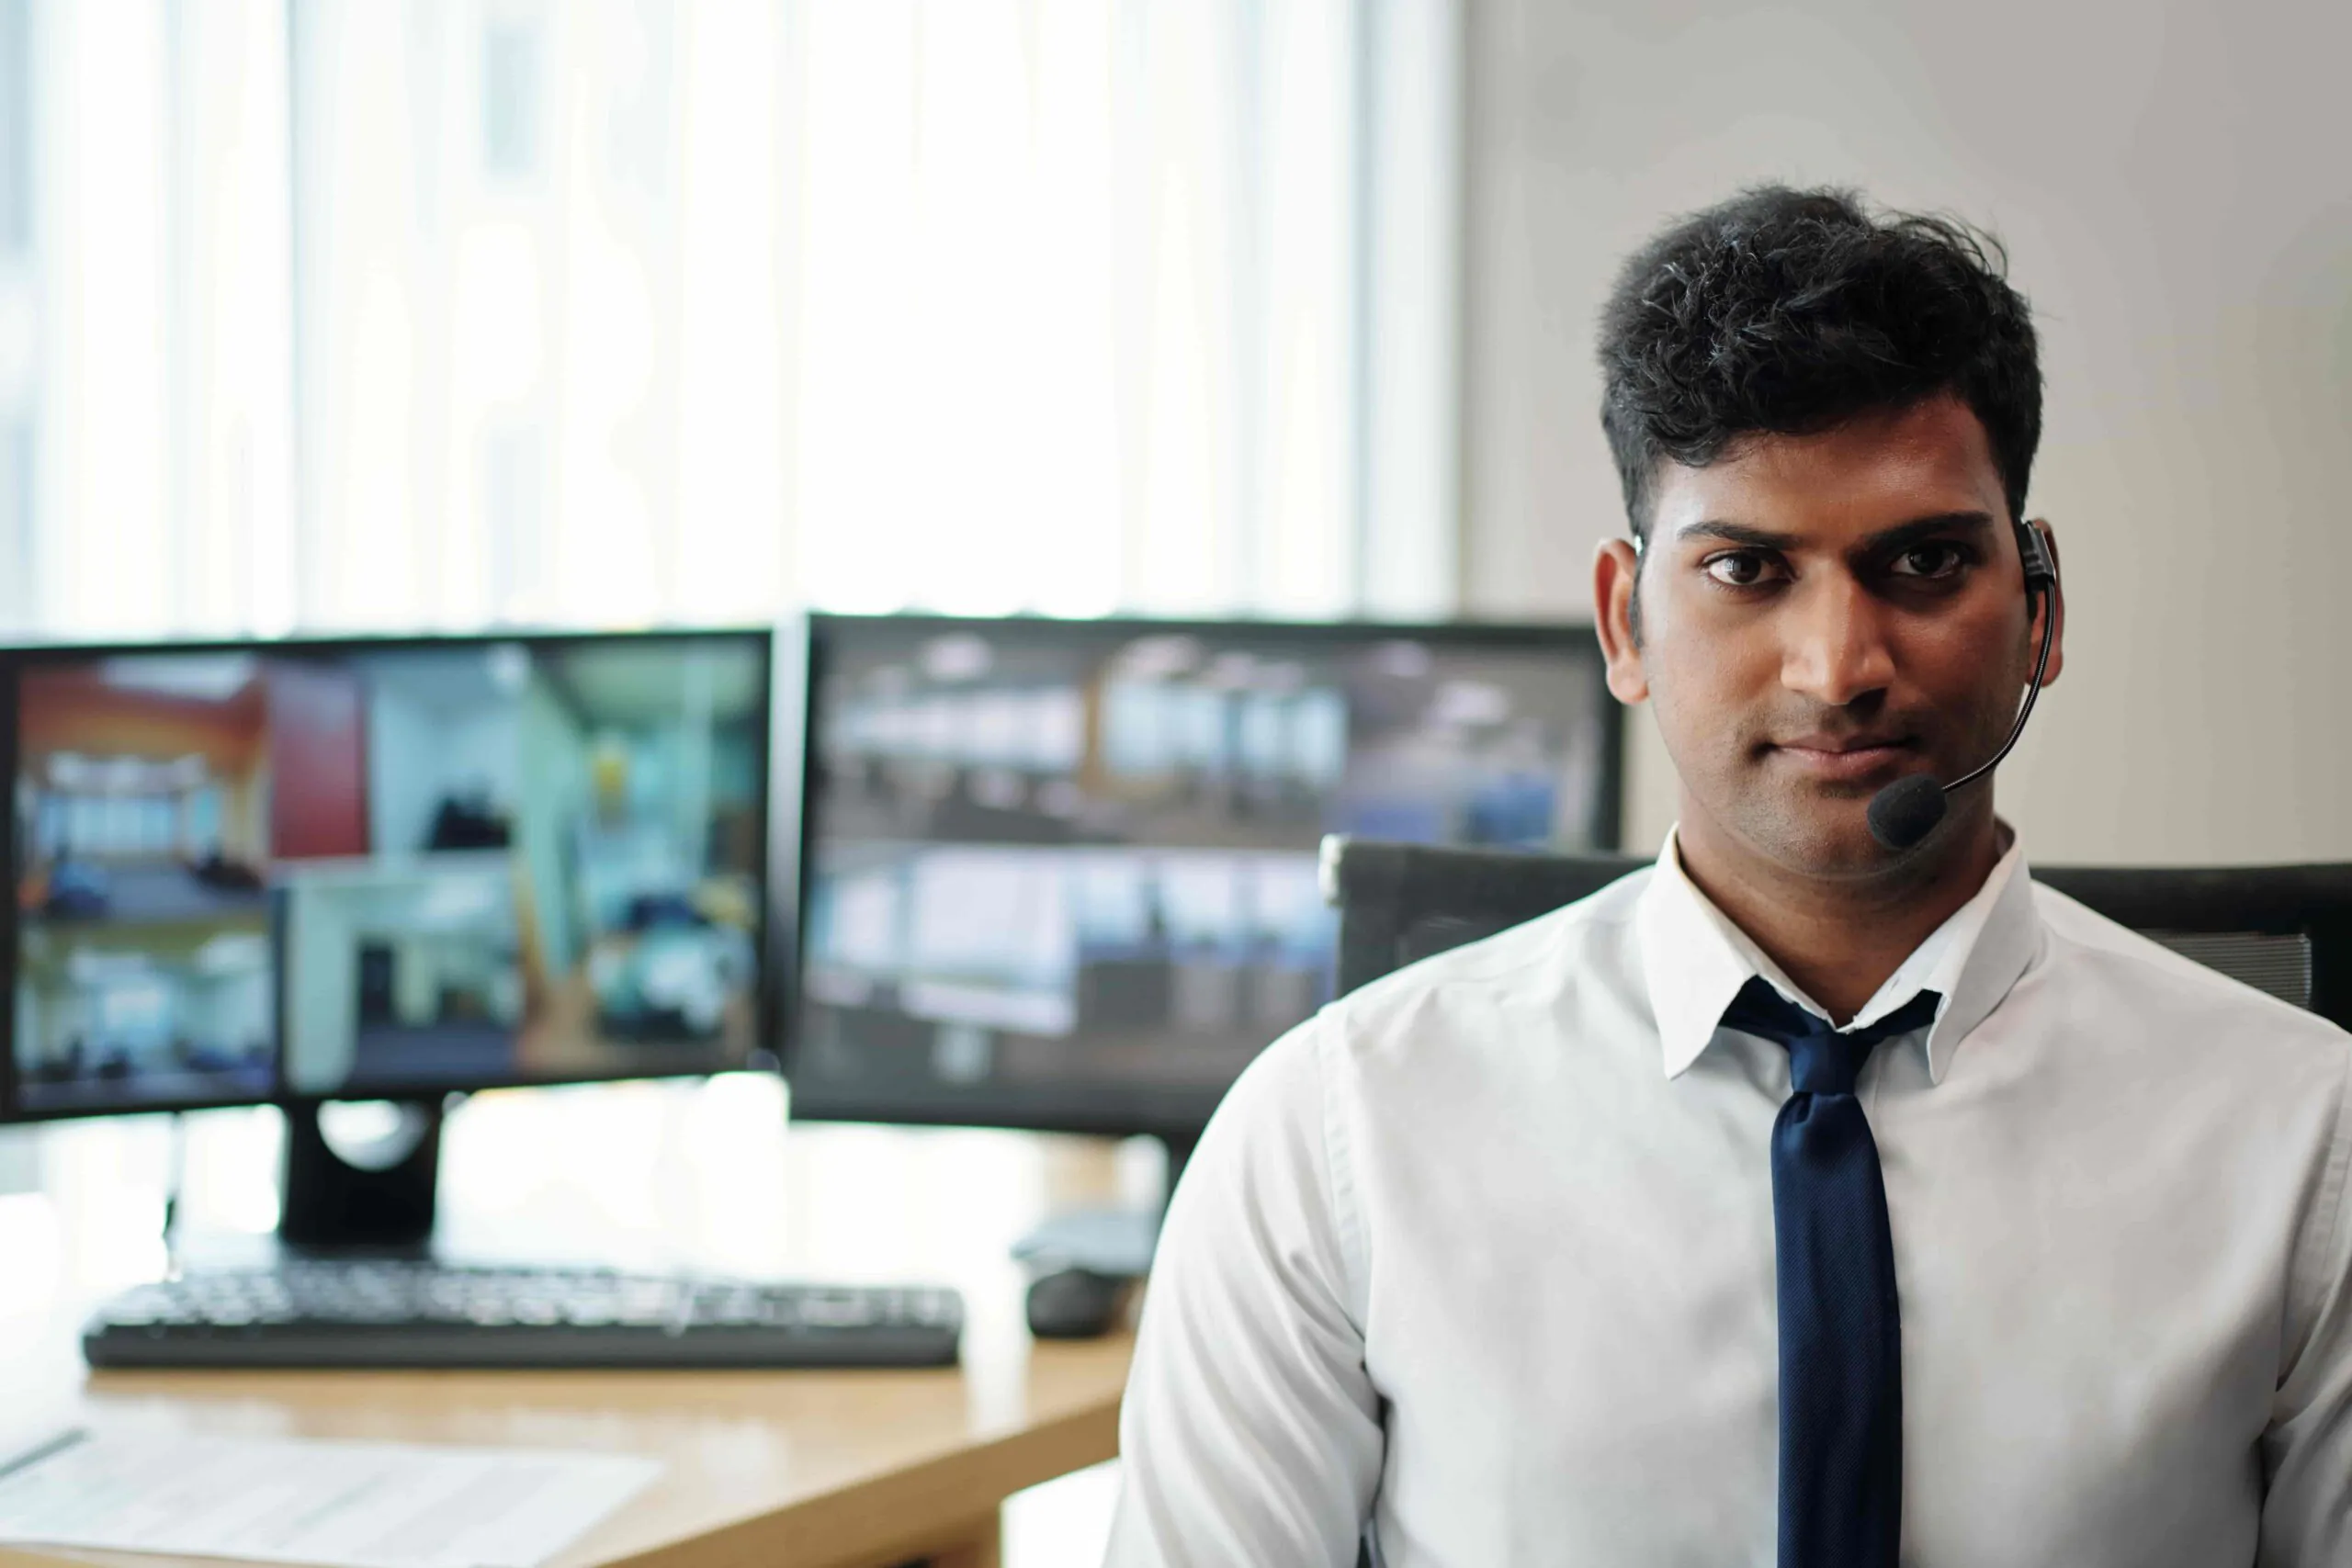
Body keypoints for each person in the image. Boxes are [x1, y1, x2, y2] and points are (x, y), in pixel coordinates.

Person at [1105, 186, 2352, 1566]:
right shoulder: (1334, 1135)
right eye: (1748, 569)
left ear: (2040, 613)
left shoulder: (2309, 1143)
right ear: (1623, 621)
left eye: (1926, 562)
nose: (1839, 666)